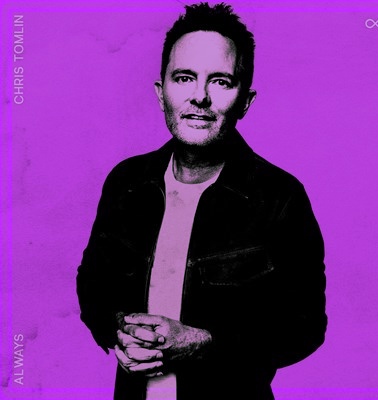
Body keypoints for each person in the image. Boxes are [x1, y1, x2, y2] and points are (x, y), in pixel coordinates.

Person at [76, 3, 327, 399]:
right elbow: (93, 283)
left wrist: (204, 343)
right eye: (184, 78)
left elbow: (305, 327)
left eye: (221, 82)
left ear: (245, 101)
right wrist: (118, 326)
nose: (200, 97)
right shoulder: (126, 183)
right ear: (161, 93)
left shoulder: (280, 197)